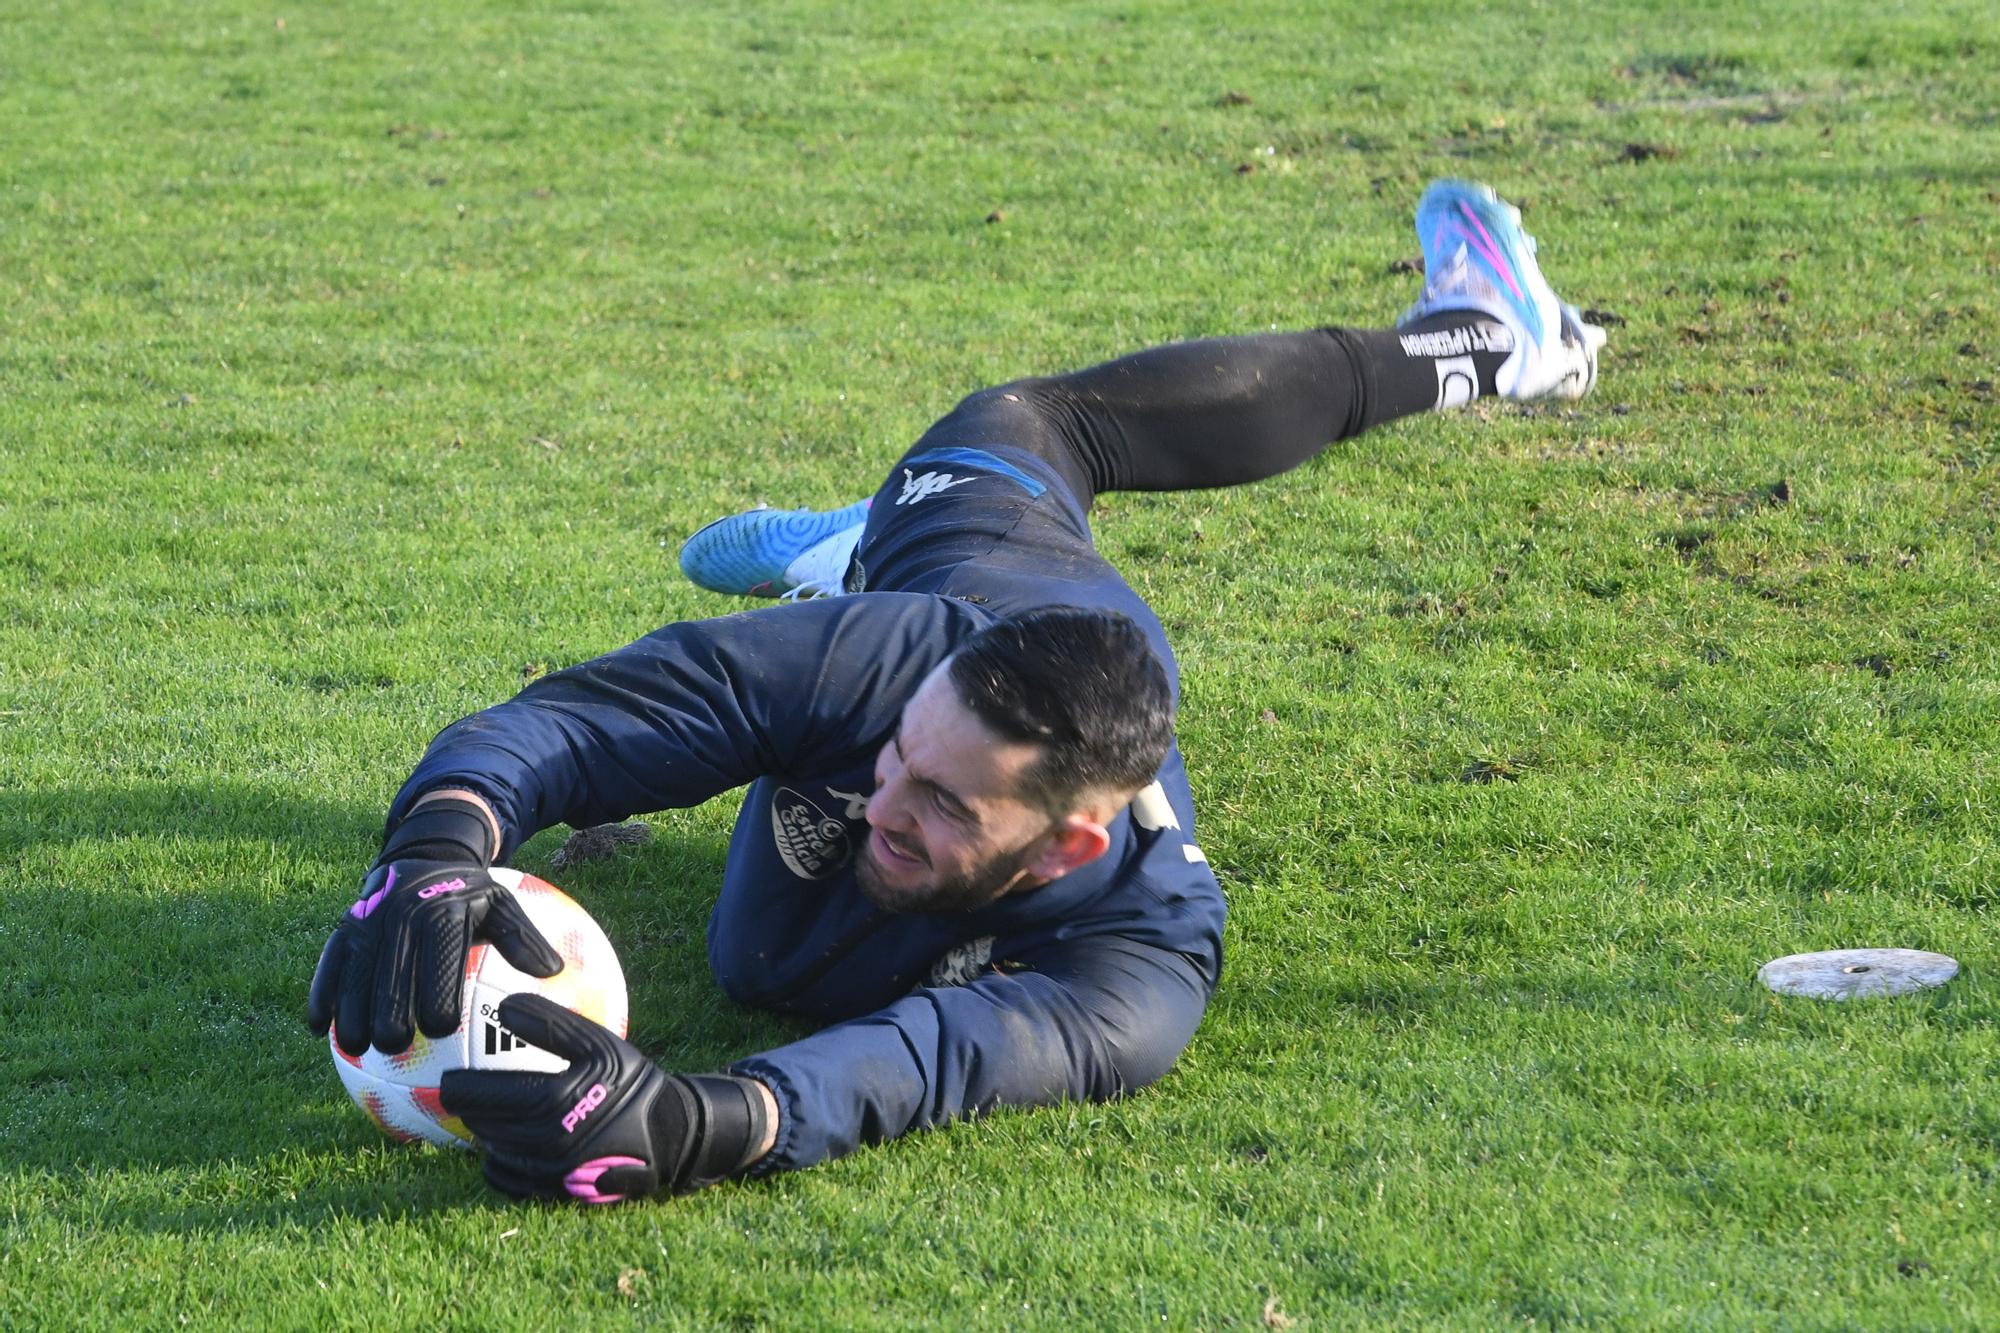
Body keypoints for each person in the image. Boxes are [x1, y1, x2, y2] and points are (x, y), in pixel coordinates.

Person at [306, 179, 1605, 1204]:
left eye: (939, 801)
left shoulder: (1144, 957)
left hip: (1008, 631)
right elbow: (573, 721)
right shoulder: (891, 669)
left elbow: (932, 1062)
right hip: (972, 532)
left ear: (1069, 845)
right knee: (1026, 421)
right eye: (897, 761)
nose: (885, 799)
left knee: (764, 960)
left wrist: (705, 1121)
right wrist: (439, 840)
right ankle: (858, 547)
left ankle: (1481, 336)